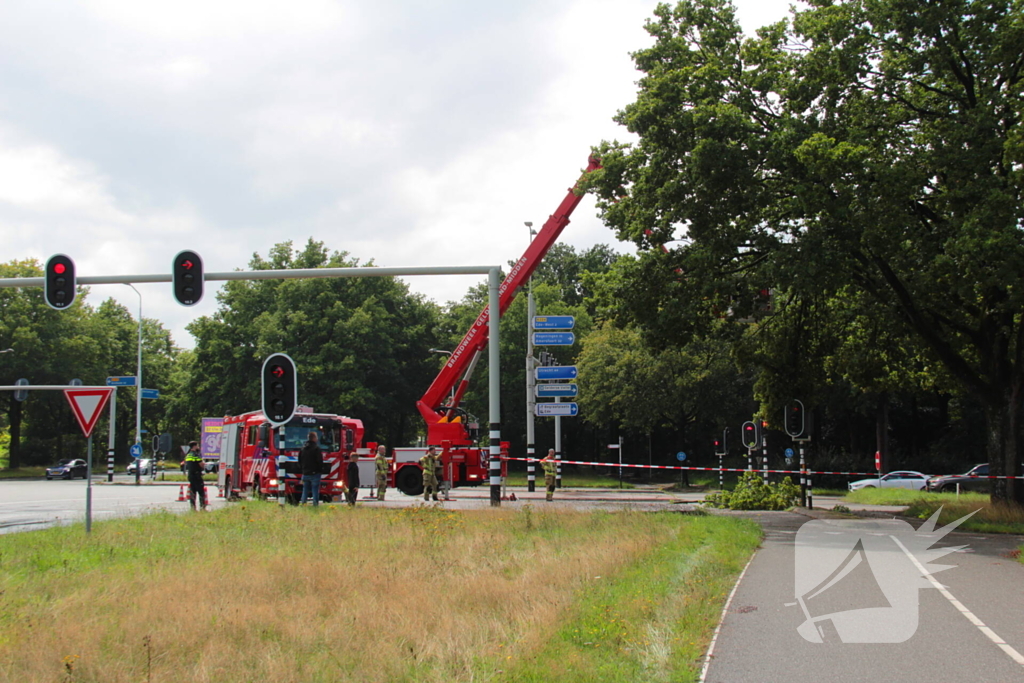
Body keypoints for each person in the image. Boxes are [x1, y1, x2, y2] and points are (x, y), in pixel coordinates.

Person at [298, 430, 323, 507]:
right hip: (315, 473)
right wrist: (320, 469)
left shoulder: (303, 449)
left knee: (305, 490)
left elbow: (299, 460)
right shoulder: (316, 449)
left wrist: (303, 469)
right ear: (314, 438)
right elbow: (319, 461)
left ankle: (303, 503)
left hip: (305, 472)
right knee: (315, 489)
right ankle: (315, 505)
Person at [184, 441, 208, 511]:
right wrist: (203, 465)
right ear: (194, 446)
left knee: (193, 492)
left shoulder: (188, 455)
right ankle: (202, 508)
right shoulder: (196, 455)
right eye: (197, 446)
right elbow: (201, 464)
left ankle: (193, 508)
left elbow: (186, 463)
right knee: (201, 492)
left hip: (191, 475)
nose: (198, 447)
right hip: (197, 475)